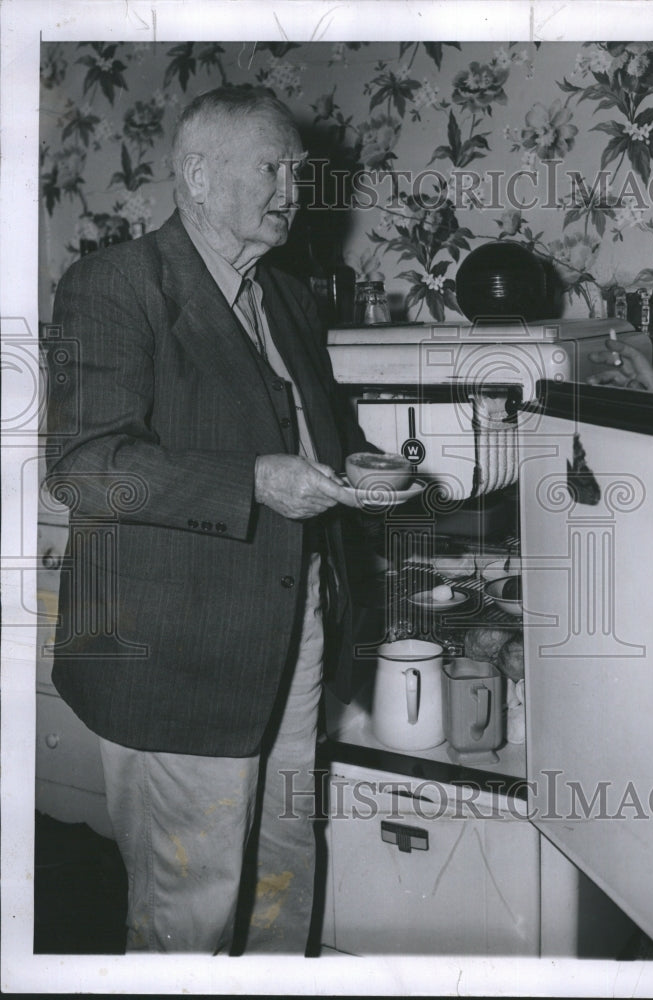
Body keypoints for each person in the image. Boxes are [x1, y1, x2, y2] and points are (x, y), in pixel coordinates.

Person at [43, 87, 373, 955]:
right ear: (197, 173)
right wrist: (254, 482)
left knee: (283, 860)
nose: (294, 190)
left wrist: (366, 472)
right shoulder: (115, 285)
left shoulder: (290, 296)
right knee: (189, 899)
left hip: (290, 623)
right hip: (175, 649)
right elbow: (85, 468)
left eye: (297, 172)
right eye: (274, 168)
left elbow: (312, 431)